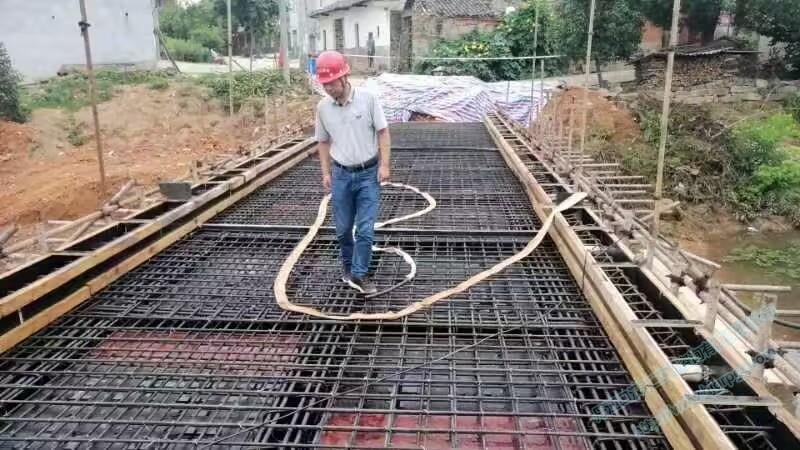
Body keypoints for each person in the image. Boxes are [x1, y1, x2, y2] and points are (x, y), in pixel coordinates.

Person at [314, 50, 390, 295]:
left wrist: (384, 165)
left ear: (344, 77)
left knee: (365, 229)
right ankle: (348, 267)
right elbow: (322, 142)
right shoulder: (323, 108)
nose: (329, 89)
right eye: (325, 85)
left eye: (332, 83)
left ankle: (360, 273)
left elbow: (383, 132)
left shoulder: (368, 99)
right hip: (341, 175)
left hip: (368, 174)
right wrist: (326, 172)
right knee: (343, 229)